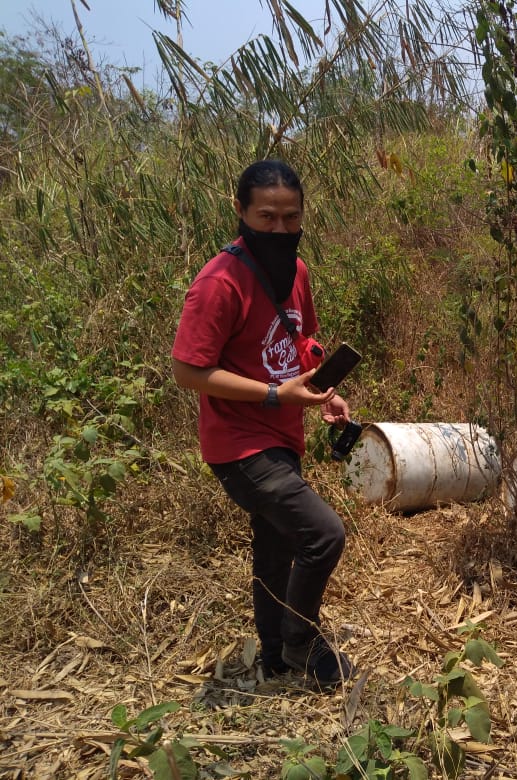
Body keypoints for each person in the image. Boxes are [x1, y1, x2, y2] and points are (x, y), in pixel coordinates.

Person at [172, 159, 353, 689]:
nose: (279, 228)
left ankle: (274, 655)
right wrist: (276, 394)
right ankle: (301, 645)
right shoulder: (218, 283)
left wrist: (322, 392)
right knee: (322, 535)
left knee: (275, 548)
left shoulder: (296, 273)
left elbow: (299, 342)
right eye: (266, 217)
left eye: (290, 218)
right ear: (241, 212)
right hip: (238, 444)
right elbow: (189, 370)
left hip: (282, 434)